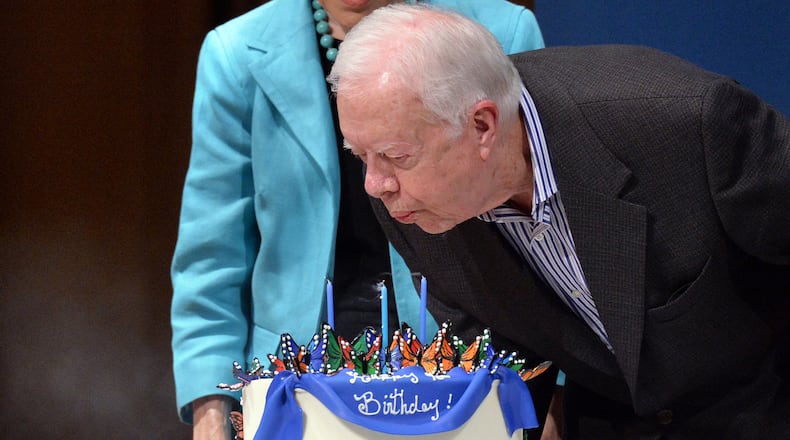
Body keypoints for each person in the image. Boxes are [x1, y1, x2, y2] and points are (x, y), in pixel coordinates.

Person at [329, 4, 790, 439]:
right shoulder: (414, 199)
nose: (375, 184)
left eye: (394, 155)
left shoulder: (685, 122)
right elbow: (494, 360)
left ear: (482, 126)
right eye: (361, 156)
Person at [170, 0, 544, 438]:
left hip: (461, 368)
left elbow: (547, 231)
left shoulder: (501, 31)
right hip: (298, 382)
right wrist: (211, 412)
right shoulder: (236, 52)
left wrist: (551, 393)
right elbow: (212, 258)